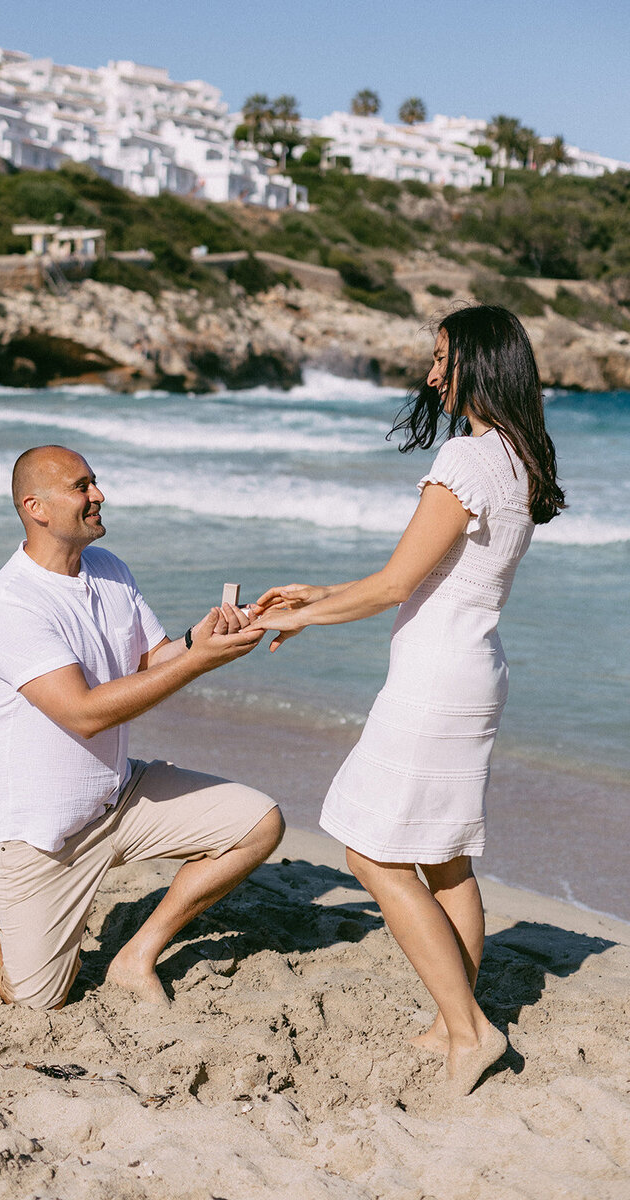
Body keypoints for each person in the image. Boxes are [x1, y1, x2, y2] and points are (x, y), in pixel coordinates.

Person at [249, 305, 565, 1097]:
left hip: (435, 680)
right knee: (446, 857)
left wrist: (303, 617)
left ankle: (469, 1030)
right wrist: (320, 593)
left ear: (479, 364)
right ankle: (453, 1019)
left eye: (442, 359)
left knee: (372, 852)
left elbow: (397, 584)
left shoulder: (466, 457)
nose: (431, 375)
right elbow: (433, 576)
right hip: (475, 671)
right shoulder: (519, 456)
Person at [0, 444, 283, 1010]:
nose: (99, 495)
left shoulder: (109, 568)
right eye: (81, 486)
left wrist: (201, 639)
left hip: (118, 796)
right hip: (40, 831)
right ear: (36, 507)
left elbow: (151, 659)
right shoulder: (9, 602)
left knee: (258, 823)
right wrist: (197, 662)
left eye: (95, 482)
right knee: (37, 996)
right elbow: (83, 714)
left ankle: (137, 956)